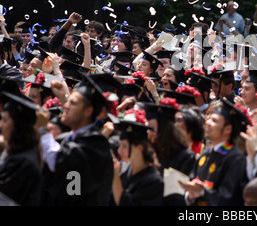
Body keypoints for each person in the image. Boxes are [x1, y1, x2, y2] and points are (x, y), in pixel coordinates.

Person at [36, 75, 114, 205]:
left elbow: (71, 187)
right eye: (68, 102)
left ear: (88, 111)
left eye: (73, 103)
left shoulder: (96, 145)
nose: (66, 106)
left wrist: (43, 131)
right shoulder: (67, 138)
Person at [180, 99, 249, 206]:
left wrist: (202, 191)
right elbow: (192, 182)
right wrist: (190, 194)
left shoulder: (235, 158)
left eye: (215, 121)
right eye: (209, 119)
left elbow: (229, 198)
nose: (207, 123)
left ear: (227, 129)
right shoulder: (206, 153)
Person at [111, 108, 163, 206]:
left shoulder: (153, 182)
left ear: (139, 148)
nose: (119, 151)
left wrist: (115, 177)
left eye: (125, 147)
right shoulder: (126, 172)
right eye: (120, 145)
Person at [0, 92, 43, 206]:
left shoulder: (23, 161)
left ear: (17, 125)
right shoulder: (19, 151)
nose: (1, 125)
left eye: (5, 120)